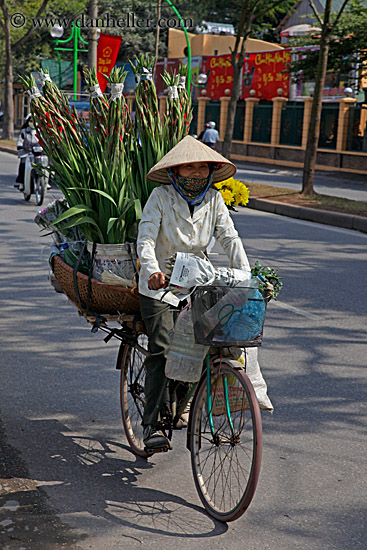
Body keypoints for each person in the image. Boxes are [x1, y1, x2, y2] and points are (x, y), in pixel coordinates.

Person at [136, 135, 272, 451]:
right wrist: (152, 270)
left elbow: (230, 238)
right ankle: (152, 424)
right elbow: (145, 238)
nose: (197, 173)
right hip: (160, 287)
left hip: (197, 281)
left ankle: (183, 403)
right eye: (189, 167)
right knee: (163, 346)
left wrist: (246, 275)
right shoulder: (160, 196)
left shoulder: (213, 199)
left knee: (206, 344)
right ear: (176, 171)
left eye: (202, 167)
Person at [14, 115, 40, 191]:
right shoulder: (24, 131)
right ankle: (21, 182)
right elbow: (20, 140)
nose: (33, 123)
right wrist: (20, 147)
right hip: (26, 152)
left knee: (43, 165)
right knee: (23, 164)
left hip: (37, 152)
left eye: (35, 121)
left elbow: (44, 141)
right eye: (31, 121)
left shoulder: (40, 132)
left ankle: (45, 182)